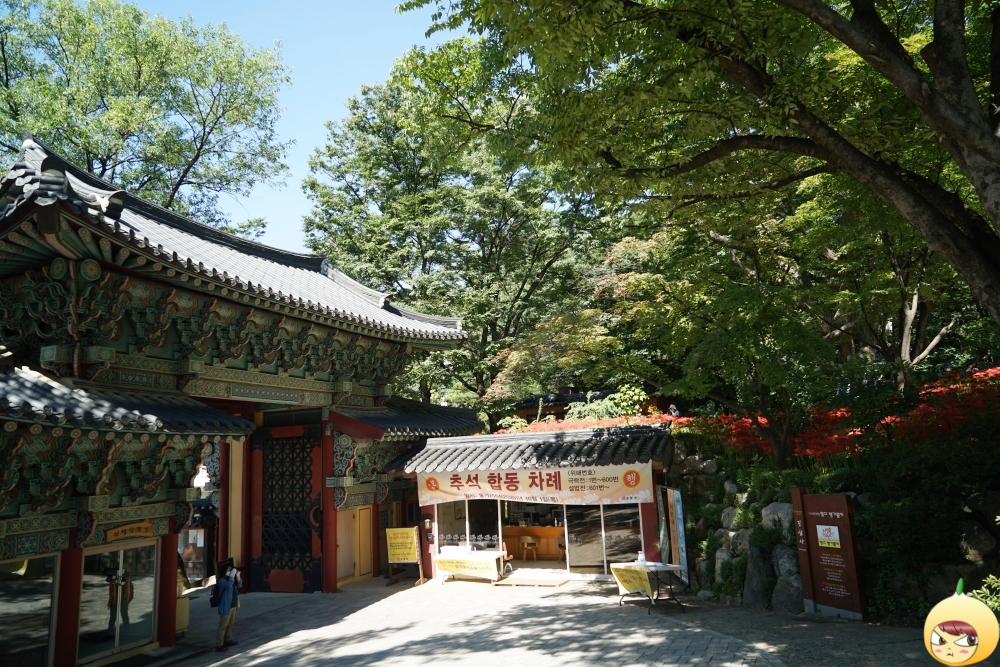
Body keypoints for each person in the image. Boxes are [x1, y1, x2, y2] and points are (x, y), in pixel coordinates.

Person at [215, 559, 240, 652]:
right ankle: (219, 644)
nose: (230, 571)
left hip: (233, 605)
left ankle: (227, 640)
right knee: (223, 626)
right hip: (225, 606)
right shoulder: (222, 581)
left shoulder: (231, 579)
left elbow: (239, 585)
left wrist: (238, 576)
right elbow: (229, 585)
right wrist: (232, 576)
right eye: (229, 570)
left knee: (230, 624)